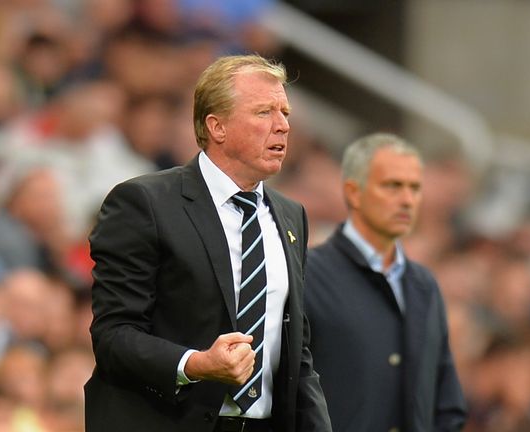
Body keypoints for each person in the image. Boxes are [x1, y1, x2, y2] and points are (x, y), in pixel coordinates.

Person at [85, 54, 331, 432]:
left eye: (285, 113)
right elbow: (114, 336)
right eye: (264, 112)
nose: (282, 126)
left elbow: (296, 353)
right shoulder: (145, 203)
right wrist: (196, 364)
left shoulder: (290, 215)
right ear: (217, 126)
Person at [305, 133, 467, 432]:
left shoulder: (424, 286)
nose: (407, 200)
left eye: (414, 188)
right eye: (392, 186)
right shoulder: (307, 273)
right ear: (353, 192)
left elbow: (446, 402)